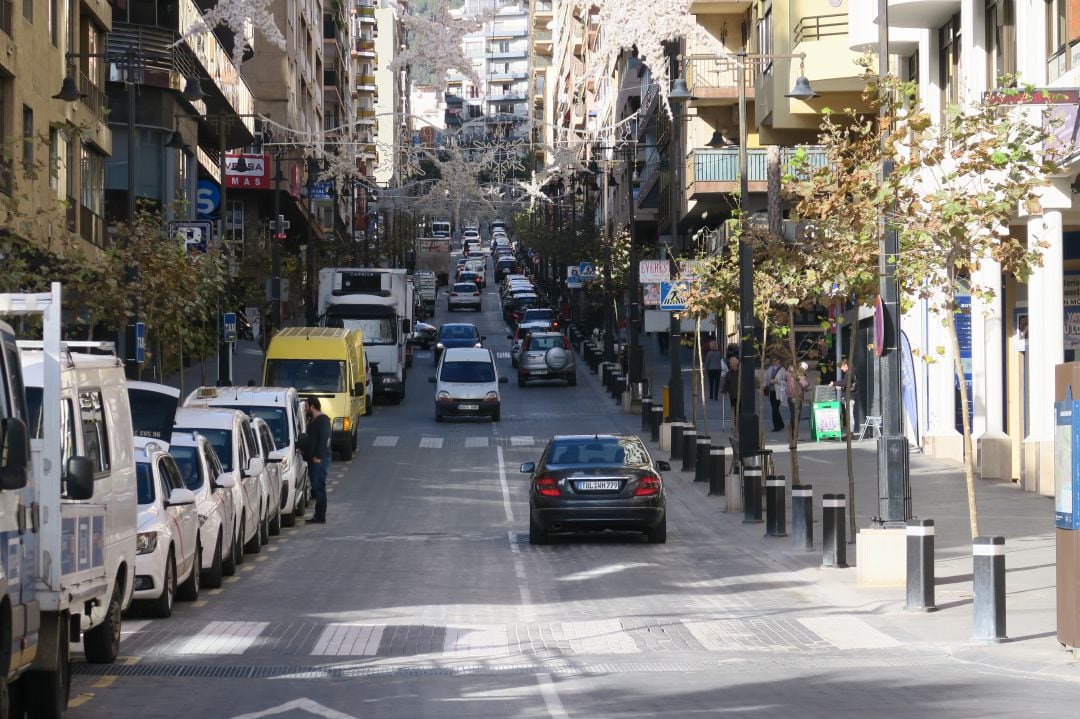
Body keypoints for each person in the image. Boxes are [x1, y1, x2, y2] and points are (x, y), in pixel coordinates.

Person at [304, 396, 332, 524]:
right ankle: (318, 514)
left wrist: (318, 456)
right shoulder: (313, 420)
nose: (305, 409)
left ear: (312, 406)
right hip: (314, 460)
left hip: (320, 460)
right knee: (316, 487)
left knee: (319, 487)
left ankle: (320, 516)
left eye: (306, 406)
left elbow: (324, 439)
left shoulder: (322, 420)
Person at [764, 357, 786, 432]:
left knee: (775, 409)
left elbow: (785, 382)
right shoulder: (770, 369)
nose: (774, 362)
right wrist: (765, 384)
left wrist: (777, 381)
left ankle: (776, 426)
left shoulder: (783, 370)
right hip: (771, 391)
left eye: (775, 360)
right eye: (773, 360)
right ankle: (781, 424)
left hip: (779, 392)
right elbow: (766, 379)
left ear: (779, 361)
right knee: (774, 408)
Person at [722, 355, 740, 424]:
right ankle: (735, 424)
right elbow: (726, 384)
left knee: (740, 411)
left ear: (735, 364)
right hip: (732, 395)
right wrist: (723, 391)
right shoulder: (729, 374)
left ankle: (739, 423)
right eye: (730, 364)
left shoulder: (740, 373)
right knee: (734, 410)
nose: (730, 365)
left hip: (740, 396)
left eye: (731, 364)